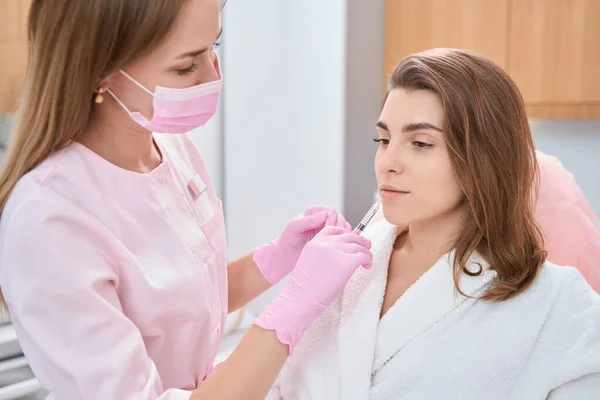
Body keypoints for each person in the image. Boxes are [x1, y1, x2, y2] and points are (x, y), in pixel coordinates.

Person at [0, 1, 373, 399]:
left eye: (215, 45)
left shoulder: (172, 147)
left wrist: (275, 260)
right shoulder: (49, 221)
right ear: (100, 73)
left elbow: (179, 304)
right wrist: (295, 306)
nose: (213, 75)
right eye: (185, 66)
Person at [267, 48, 600, 399]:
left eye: (421, 143)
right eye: (383, 139)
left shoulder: (557, 305)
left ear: (483, 159)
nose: (387, 162)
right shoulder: (339, 273)